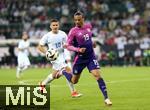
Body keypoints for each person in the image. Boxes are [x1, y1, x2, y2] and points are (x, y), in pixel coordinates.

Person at [63, 11, 112, 105]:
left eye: (79, 19)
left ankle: (106, 98)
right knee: (74, 81)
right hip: (80, 59)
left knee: (97, 75)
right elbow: (68, 46)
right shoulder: (73, 31)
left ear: (83, 19)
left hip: (90, 57)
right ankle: (64, 72)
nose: (77, 21)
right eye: (75, 20)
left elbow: (88, 38)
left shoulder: (89, 26)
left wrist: (92, 43)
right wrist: (78, 49)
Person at [38, 19, 82, 97]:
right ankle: (73, 92)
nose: (55, 26)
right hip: (54, 57)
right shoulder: (47, 36)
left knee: (54, 75)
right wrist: (47, 53)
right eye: (53, 25)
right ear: (50, 26)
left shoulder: (63, 34)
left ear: (59, 25)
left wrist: (67, 50)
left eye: (56, 25)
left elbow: (67, 44)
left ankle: (42, 84)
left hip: (62, 55)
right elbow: (40, 46)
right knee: (68, 70)